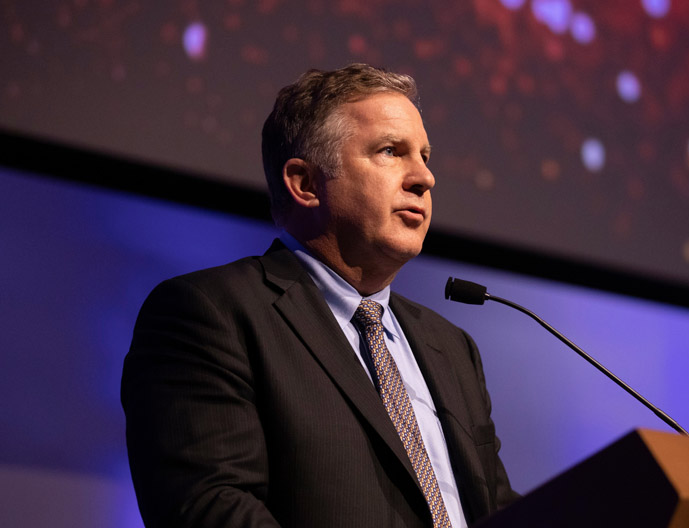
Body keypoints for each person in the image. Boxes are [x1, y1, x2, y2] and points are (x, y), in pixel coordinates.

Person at [121, 63, 518, 528]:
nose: (424, 178)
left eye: (425, 156)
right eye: (391, 152)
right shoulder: (211, 314)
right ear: (305, 183)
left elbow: (500, 510)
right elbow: (211, 507)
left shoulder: (450, 348)